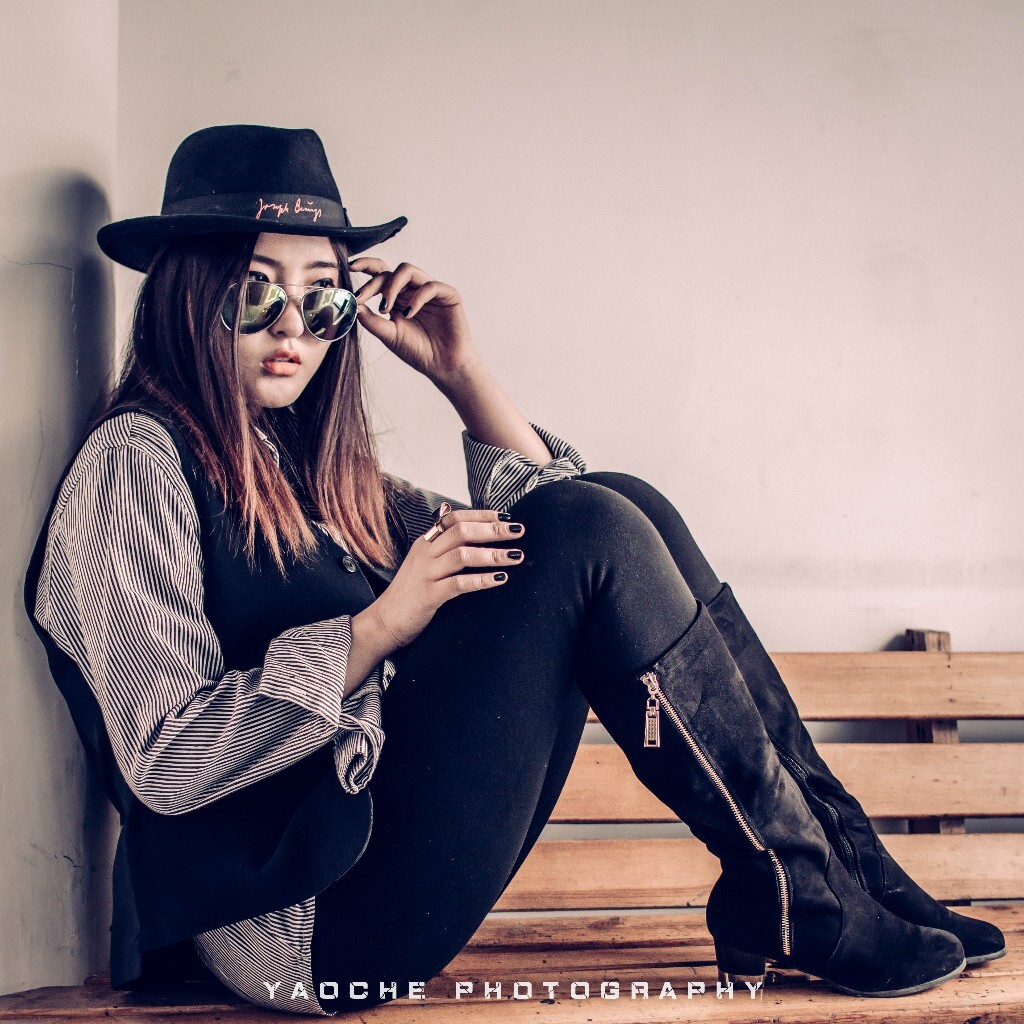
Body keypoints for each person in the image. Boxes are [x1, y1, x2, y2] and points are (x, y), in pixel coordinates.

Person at [24, 124, 1002, 1017]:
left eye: (323, 297)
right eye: (255, 291)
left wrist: (462, 374)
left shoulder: (307, 464)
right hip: (293, 922)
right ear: (189, 292)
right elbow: (160, 760)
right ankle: (801, 890)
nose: (293, 326)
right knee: (587, 522)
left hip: (367, 856)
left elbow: (588, 537)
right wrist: (376, 629)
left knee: (620, 497)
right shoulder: (137, 462)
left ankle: (846, 877)